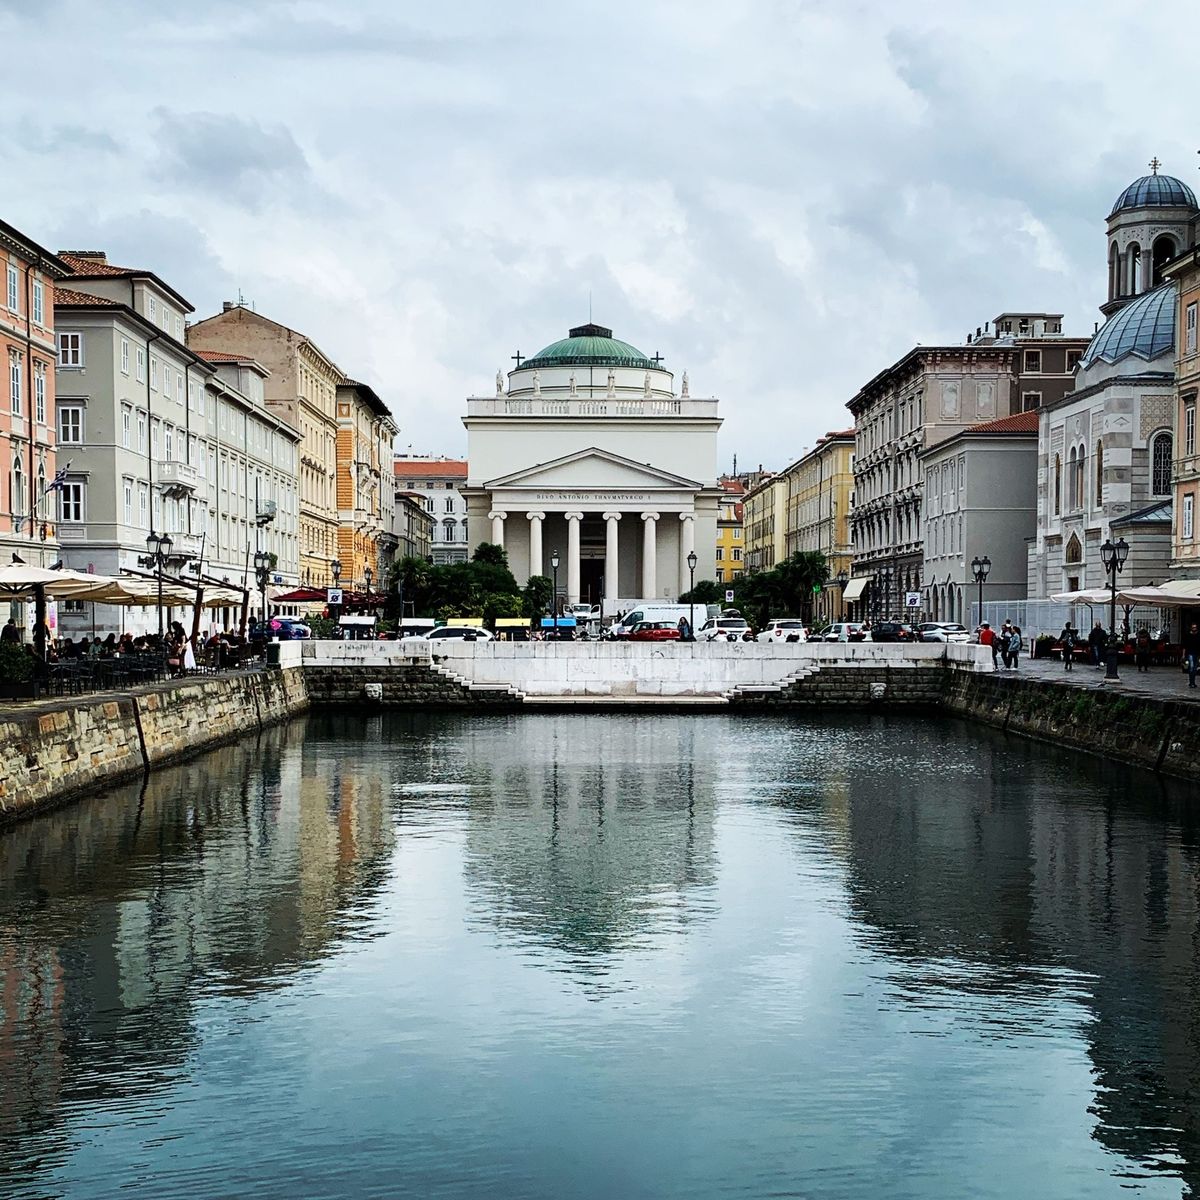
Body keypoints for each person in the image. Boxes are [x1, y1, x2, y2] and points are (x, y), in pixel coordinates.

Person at [1184, 623, 1200, 689]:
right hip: (1190, 653)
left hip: (1197, 653)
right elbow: (1185, 646)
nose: (1194, 629)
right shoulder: (1188, 636)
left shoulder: (1198, 636)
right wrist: (1183, 655)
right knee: (1191, 667)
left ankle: (1192, 682)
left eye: (1195, 627)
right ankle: (1191, 682)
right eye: (1193, 627)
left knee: (1195, 669)